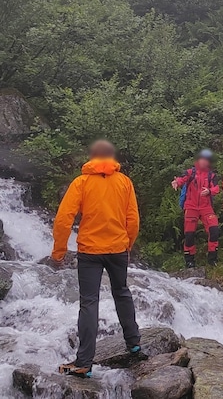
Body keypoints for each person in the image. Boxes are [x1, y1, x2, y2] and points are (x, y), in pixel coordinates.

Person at [52, 140, 141, 378]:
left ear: (92, 158)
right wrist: (127, 244)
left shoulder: (81, 183)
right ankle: (134, 343)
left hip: (90, 252)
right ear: (112, 158)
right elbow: (132, 219)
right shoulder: (124, 182)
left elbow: (63, 219)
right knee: (121, 292)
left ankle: (84, 363)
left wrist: (58, 252)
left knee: (89, 302)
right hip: (118, 249)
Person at [171, 149, 220, 268]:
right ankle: (189, 260)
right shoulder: (190, 172)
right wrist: (176, 182)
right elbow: (181, 179)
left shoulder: (211, 175)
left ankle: (212, 259)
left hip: (206, 207)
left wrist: (209, 191)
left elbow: (217, 189)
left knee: (214, 230)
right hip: (191, 206)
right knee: (189, 234)